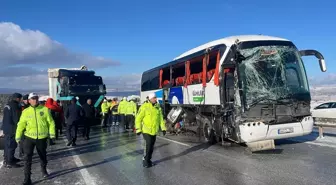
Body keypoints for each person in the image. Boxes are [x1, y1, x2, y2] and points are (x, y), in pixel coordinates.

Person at [15, 93, 56, 185]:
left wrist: (52, 135)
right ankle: (27, 178)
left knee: (43, 156)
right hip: (29, 138)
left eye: (36, 98)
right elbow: (21, 124)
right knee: (27, 158)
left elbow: (51, 123)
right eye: (33, 99)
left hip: (41, 138)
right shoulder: (25, 112)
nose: (35, 100)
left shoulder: (45, 109)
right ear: (29, 101)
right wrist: (18, 136)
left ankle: (44, 170)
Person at [135, 93, 166, 168]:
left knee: (151, 147)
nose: (155, 99)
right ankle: (145, 161)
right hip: (146, 130)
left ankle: (148, 160)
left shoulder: (157, 107)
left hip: (154, 131)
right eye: (154, 98)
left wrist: (163, 128)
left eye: (155, 98)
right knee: (148, 146)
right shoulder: (144, 107)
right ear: (150, 99)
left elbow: (160, 119)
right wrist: (138, 129)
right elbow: (138, 119)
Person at [2, 93, 22, 168]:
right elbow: (16, 118)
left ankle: (9, 158)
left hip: (6, 127)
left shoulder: (8, 104)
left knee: (7, 144)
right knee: (11, 145)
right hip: (12, 128)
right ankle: (9, 162)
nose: (21, 100)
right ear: (17, 98)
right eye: (20, 98)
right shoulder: (15, 106)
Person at [19, 94, 29, 158]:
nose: (28, 101)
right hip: (23, 124)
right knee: (22, 140)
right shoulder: (22, 106)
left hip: (28, 124)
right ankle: (21, 152)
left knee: (26, 140)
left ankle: (25, 151)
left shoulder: (27, 105)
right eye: (26, 100)